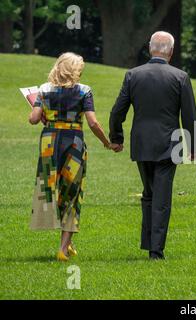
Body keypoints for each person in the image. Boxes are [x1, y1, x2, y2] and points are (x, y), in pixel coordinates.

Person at [109, 31, 196, 260]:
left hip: (141, 143)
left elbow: (117, 111)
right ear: (171, 51)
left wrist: (116, 138)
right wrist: (193, 145)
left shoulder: (133, 75)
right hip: (169, 144)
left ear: (151, 49)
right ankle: (155, 251)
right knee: (161, 197)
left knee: (149, 193)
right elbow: (190, 115)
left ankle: (149, 243)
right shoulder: (180, 76)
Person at [29, 52, 111, 262]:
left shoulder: (44, 89)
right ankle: (63, 249)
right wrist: (106, 142)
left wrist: (40, 110)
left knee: (52, 188)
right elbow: (92, 123)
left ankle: (67, 242)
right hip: (73, 141)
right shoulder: (84, 91)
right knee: (72, 192)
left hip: (49, 142)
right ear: (75, 70)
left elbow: (34, 119)